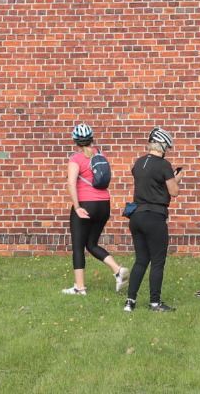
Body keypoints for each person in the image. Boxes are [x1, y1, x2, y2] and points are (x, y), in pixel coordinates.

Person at [62, 123, 128, 296]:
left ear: (75, 141)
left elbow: (71, 183)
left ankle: (80, 288)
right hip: (104, 204)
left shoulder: (76, 158)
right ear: (91, 139)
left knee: (78, 246)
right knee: (91, 244)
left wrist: (77, 207)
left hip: (86, 204)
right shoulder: (100, 154)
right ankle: (118, 270)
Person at [124, 127, 180, 313]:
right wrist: (176, 178)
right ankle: (155, 303)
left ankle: (129, 302)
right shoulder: (164, 165)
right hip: (154, 218)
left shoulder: (138, 163)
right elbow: (174, 192)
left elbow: (148, 185)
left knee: (141, 260)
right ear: (163, 145)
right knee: (157, 262)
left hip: (136, 217)